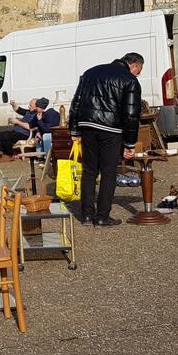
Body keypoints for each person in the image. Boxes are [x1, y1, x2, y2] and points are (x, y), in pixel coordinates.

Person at [69, 52, 144, 227]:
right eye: (139, 70)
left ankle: (86, 215)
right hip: (111, 129)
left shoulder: (90, 73)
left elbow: (76, 102)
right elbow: (132, 114)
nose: (138, 74)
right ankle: (102, 216)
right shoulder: (130, 80)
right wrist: (130, 144)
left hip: (87, 125)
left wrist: (74, 129)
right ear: (133, 65)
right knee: (108, 172)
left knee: (89, 171)